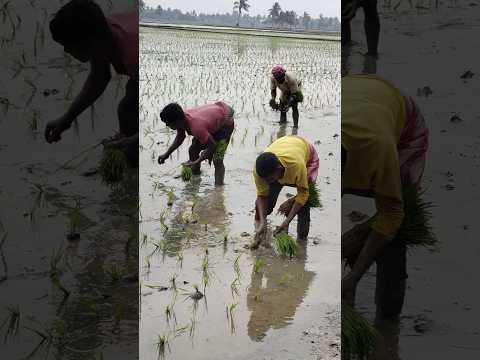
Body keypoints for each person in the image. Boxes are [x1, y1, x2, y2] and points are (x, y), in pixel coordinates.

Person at [341, 74, 429, 317]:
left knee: (395, 220)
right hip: (356, 93)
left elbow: (392, 213)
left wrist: (355, 276)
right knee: (350, 242)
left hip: (400, 123)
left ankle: (388, 318)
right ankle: (347, 298)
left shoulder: (378, 148)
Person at [44, 0, 138, 165]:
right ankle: (130, 150)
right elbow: (99, 77)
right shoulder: (102, 34)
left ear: (89, 42)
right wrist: (67, 119)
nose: (66, 51)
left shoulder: (133, 56)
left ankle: (133, 157)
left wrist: (137, 138)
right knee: (128, 108)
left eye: (68, 45)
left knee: (128, 110)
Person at [252, 135, 319, 247]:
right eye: (265, 180)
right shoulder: (259, 171)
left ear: (278, 170)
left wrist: (287, 221)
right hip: (284, 145)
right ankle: (259, 229)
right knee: (264, 204)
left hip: (306, 156)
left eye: (269, 179)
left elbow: (303, 193)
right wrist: (263, 221)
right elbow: (262, 195)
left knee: (304, 203)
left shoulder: (297, 166)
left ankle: (302, 243)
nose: (267, 183)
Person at [157, 101, 235, 186]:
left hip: (225, 122)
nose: (166, 125)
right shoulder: (182, 120)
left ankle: (219, 188)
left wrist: (197, 161)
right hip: (213, 117)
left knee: (217, 159)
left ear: (177, 121)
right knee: (193, 150)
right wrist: (167, 154)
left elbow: (212, 145)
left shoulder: (196, 127)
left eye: (168, 123)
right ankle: (196, 177)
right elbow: (180, 137)